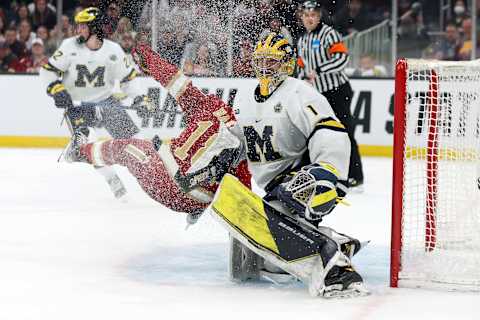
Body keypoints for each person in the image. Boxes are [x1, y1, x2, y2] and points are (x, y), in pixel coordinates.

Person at [129, 35, 367, 298]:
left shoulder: (299, 92)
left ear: (287, 64)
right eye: (261, 61)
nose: (265, 68)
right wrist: (215, 164)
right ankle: (333, 241)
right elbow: (242, 143)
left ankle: (336, 268)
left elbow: (329, 129)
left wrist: (327, 171)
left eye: (272, 62)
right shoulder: (247, 99)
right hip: (277, 189)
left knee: (258, 227)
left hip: (306, 179)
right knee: (249, 258)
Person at [65, 43, 251, 225]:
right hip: (191, 200)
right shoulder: (242, 145)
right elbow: (243, 196)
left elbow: (174, 79)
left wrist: (148, 56)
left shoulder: (211, 104)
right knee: (133, 148)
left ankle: (80, 150)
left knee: (127, 148)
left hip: (163, 178)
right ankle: (85, 145)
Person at [39, 7, 146, 199]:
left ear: (94, 27)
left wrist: (139, 98)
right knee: (87, 144)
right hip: (78, 107)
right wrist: (56, 89)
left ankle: (150, 180)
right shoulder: (69, 46)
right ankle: (112, 179)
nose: (78, 30)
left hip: (106, 102)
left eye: (82, 26)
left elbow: (128, 79)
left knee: (135, 144)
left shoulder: (113, 51)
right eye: (78, 26)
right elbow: (48, 71)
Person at [296, 0, 364, 189]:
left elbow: (342, 59)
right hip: (318, 94)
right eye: (306, 15)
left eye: (313, 15)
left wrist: (318, 69)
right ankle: (307, 169)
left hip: (337, 91)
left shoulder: (329, 34)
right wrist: (301, 80)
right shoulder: (302, 40)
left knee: (345, 131)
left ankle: (355, 174)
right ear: (301, 17)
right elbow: (301, 66)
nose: (310, 19)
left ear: (319, 17)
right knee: (312, 131)